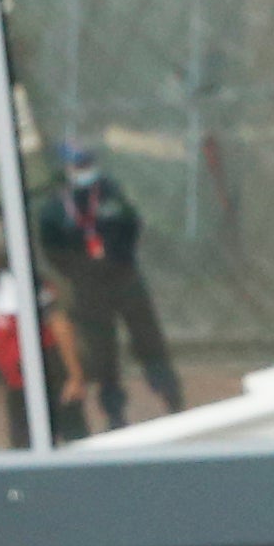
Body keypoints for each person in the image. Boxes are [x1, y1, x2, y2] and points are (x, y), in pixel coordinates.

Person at [35, 143, 188, 431]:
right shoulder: (56, 207)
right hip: (89, 287)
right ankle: (114, 413)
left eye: (87, 164)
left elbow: (132, 225)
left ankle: (171, 397)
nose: (85, 172)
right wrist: (81, 270)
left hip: (124, 277)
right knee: (102, 352)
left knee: (148, 340)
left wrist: (119, 257)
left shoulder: (110, 191)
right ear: (67, 169)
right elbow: (51, 248)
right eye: (78, 166)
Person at [0, 216, 82, 447]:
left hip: (47, 374)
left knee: (74, 440)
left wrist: (74, 376)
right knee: (23, 448)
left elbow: (58, 323)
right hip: (16, 383)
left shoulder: (22, 279)